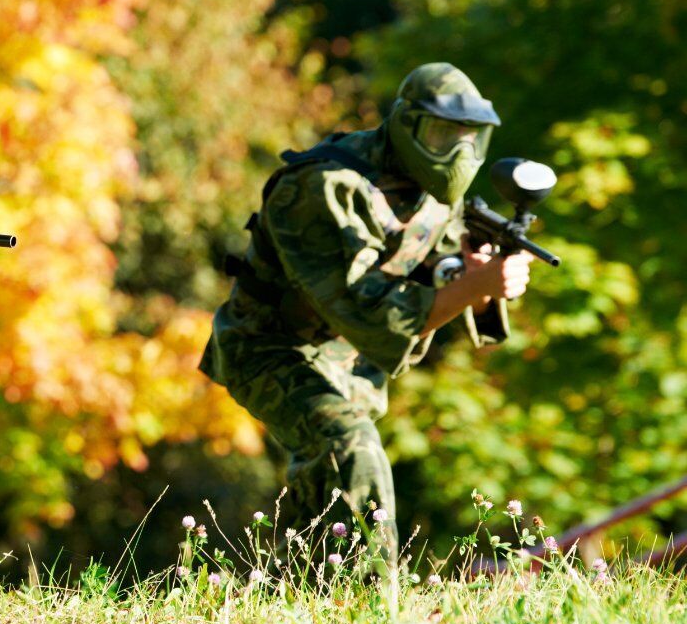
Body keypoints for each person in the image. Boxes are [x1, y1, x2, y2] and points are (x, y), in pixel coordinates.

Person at [200, 62, 535, 560]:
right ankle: (367, 608)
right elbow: (373, 318)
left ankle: (291, 600)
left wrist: (478, 278)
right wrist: (472, 286)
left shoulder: (440, 197)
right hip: (268, 346)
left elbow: (436, 282)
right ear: (408, 126)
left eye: (469, 137)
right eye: (444, 133)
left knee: (324, 488)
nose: (458, 152)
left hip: (350, 363)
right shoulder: (325, 188)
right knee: (350, 449)